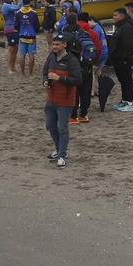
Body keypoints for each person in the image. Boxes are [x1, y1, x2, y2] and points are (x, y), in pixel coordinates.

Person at [42, 34, 80, 167]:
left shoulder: (72, 60)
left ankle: (62, 155)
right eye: (54, 44)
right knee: (50, 126)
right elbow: (45, 73)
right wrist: (45, 81)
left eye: (58, 44)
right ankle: (59, 150)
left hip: (65, 101)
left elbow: (78, 80)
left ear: (65, 45)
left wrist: (60, 78)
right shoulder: (51, 57)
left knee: (63, 128)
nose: (55, 47)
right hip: (51, 99)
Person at [108, 7, 133, 111]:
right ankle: (124, 100)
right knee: (122, 80)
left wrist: (125, 58)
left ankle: (129, 102)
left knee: (127, 80)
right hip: (117, 59)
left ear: (122, 16)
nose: (113, 17)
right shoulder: (120, 27)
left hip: (123, 59)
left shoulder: (126, 27)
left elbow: (129, 44)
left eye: (115, 15)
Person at [16, 0, 39, 75]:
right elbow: (37, 25)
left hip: (22, 35)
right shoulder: (33, 13)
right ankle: (30, 72)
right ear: (30, 2)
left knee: (22, 54)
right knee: (31, 54)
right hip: (31, 35)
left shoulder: (18, 12)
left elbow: (16, 25)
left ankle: (23, 72)